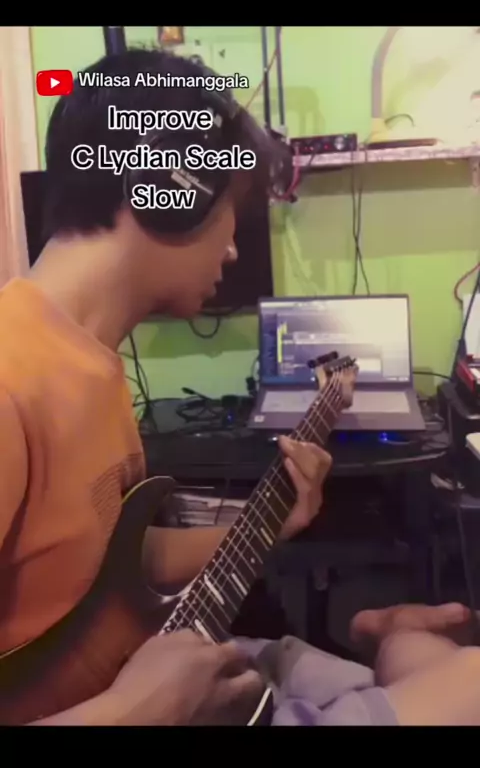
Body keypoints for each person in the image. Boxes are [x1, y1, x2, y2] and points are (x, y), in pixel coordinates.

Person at [1, 46, 480, 727]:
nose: (232, 246)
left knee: (446, 673)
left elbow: (116, 559)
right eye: (231, 207)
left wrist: (272, 520)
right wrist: (140, 704)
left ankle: (392, 635)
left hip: (150, 671)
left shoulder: (92, 363)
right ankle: (396, 638)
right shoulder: (11, 377)